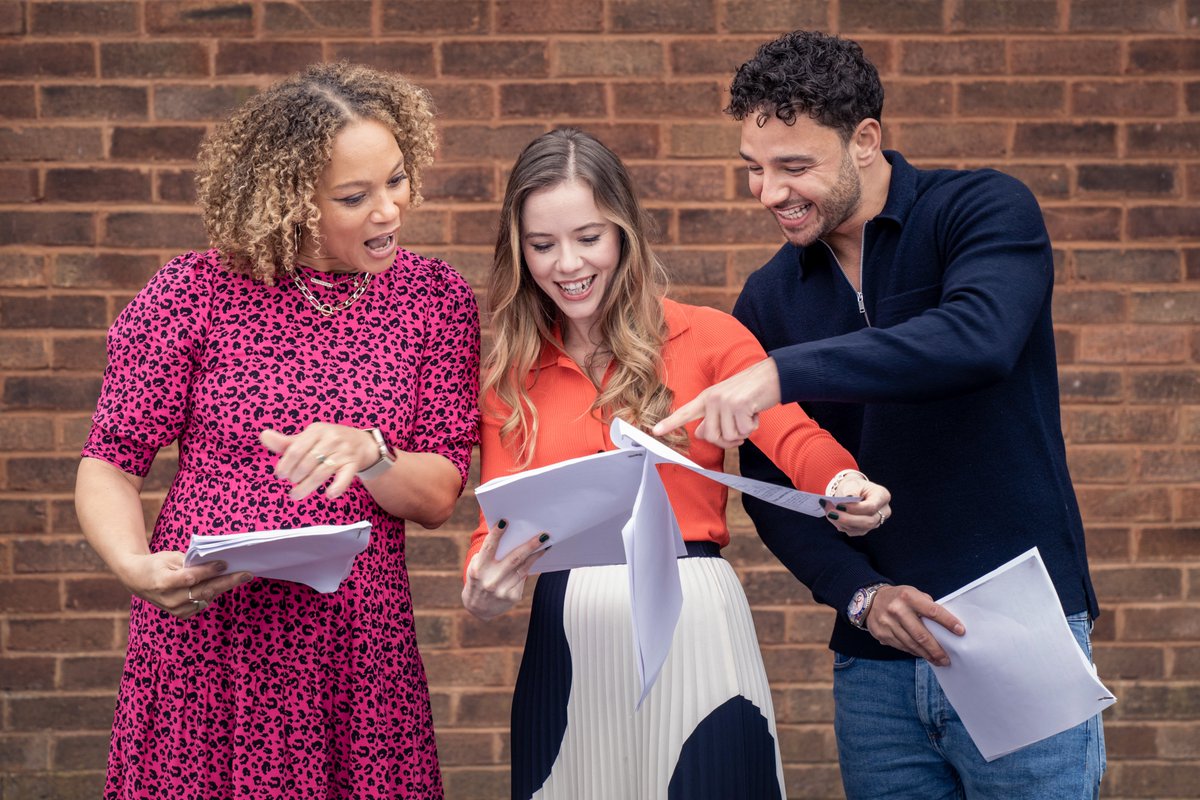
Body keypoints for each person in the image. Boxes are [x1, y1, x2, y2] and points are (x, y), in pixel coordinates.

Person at [653, 30, 1105, 800]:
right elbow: (776, 489)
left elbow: (978, 338)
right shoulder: (770, 297)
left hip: (1021, 631)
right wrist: (859, 597)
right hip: (875, 663)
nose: (769, 192)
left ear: (865, 140)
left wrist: (779, 373)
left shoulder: (981, 210)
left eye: (794, 167)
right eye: (754, 170)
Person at [74, 62, 480, 799]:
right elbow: (110, 460)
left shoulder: (435, 300)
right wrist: (135, 567)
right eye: (355, 197)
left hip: (355, 652)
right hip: (212, 642)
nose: (389, 210)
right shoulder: (190, 293)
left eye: (396, 179)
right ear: (289, 200)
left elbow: (442, 492)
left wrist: (374, 452)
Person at [460, 127, 892, 800]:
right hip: (569, 635)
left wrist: (845, 485)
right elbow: (497, 528)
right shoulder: (510, 380)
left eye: (588, 237)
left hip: (695, 618)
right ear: (519, 252)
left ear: (624, 233)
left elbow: (792, 434)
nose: (566, 263)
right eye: (542, 245)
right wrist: (482, 582)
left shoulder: (710, 336)